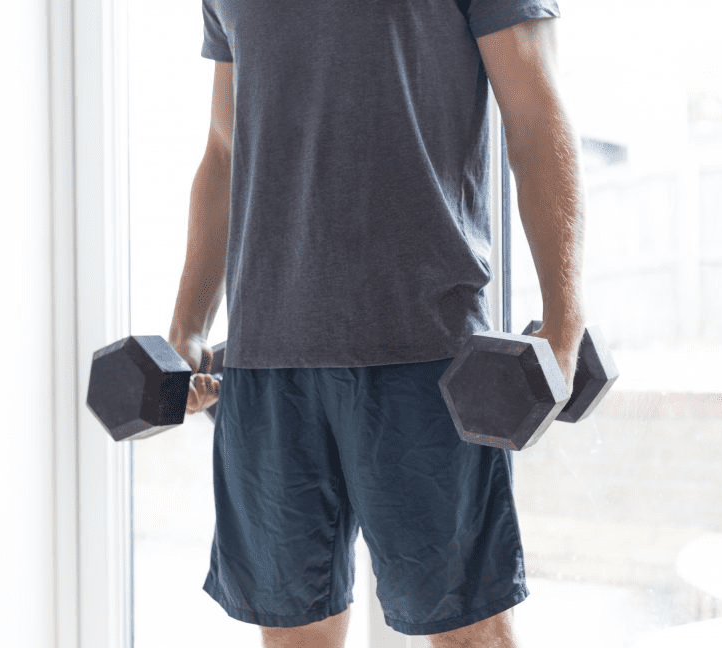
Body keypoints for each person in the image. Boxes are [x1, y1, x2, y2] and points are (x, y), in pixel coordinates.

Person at [170, 1, 586, 646]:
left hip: (425, 350)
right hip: (267, 357)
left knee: (469, 634)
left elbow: (536, 116)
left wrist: (565, 321)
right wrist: (188, 325)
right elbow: (225, 150)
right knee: (292, 636)